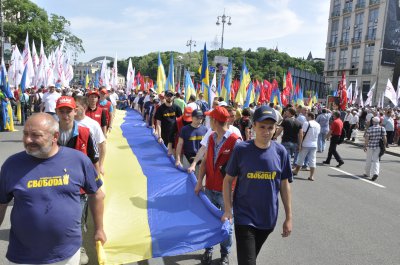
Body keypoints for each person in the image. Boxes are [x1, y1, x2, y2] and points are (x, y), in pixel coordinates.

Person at [0, 113, 106, 265]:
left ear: (55, 136)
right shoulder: (12, 165)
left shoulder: (79, 160)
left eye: (36, 135)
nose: (28, 140)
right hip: (24, 256)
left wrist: (99, 229)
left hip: (67, 254)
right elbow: (1, 203)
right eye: (25, 134)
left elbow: (97, 195)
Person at [222, 105, 292, 265]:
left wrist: (289, 217)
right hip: (244, 217)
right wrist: (228, 209)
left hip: (268, 219)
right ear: (253, 126)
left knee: (250, 257)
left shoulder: (281, 152)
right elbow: (227, 180)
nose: (266, 131)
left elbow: (284, 185)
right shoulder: (241, 149)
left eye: (270, 127)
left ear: (275, 129)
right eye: (262, 127)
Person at [194, 106, 240, 265]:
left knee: (227, 224)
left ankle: (225, 254)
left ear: (214, 121)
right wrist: (200, 182)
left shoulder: (235, 140)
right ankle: (208, 250)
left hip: (227, 191)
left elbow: (240, 170)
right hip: (210, 188)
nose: (208, 121)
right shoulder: (212, 137)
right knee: (209, 222)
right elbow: (206, 161)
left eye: (209, 119)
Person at [75, 96, 107, 176]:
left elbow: (102, 145)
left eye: (76, 106)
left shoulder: (93, 124)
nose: (73, 109)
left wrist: (101, 165)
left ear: (84, 107)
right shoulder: (67, 122)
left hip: (88, 164)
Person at [292, 112, 321, 181]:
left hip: (306, 143)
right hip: (314, 144)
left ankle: (296, 171)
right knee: (312, 160)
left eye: (307, 116)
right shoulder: (318, 124)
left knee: (300, 158)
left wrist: (300, 144)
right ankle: (311, 176)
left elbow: (302, 134)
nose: (306, 118)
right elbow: (318, 134)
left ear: (310, 116)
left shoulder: (306, 123)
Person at [364, 117, 387, 181]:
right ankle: (376, 173)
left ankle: (367, 173)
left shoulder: (370, 129)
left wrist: (365, 146)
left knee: (368, 159)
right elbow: (384, 138)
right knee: (376, 160)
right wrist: (384, 146)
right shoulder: (382, 128)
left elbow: (367, 139)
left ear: (373, 122)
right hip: (378, 146)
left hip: (370, 146)